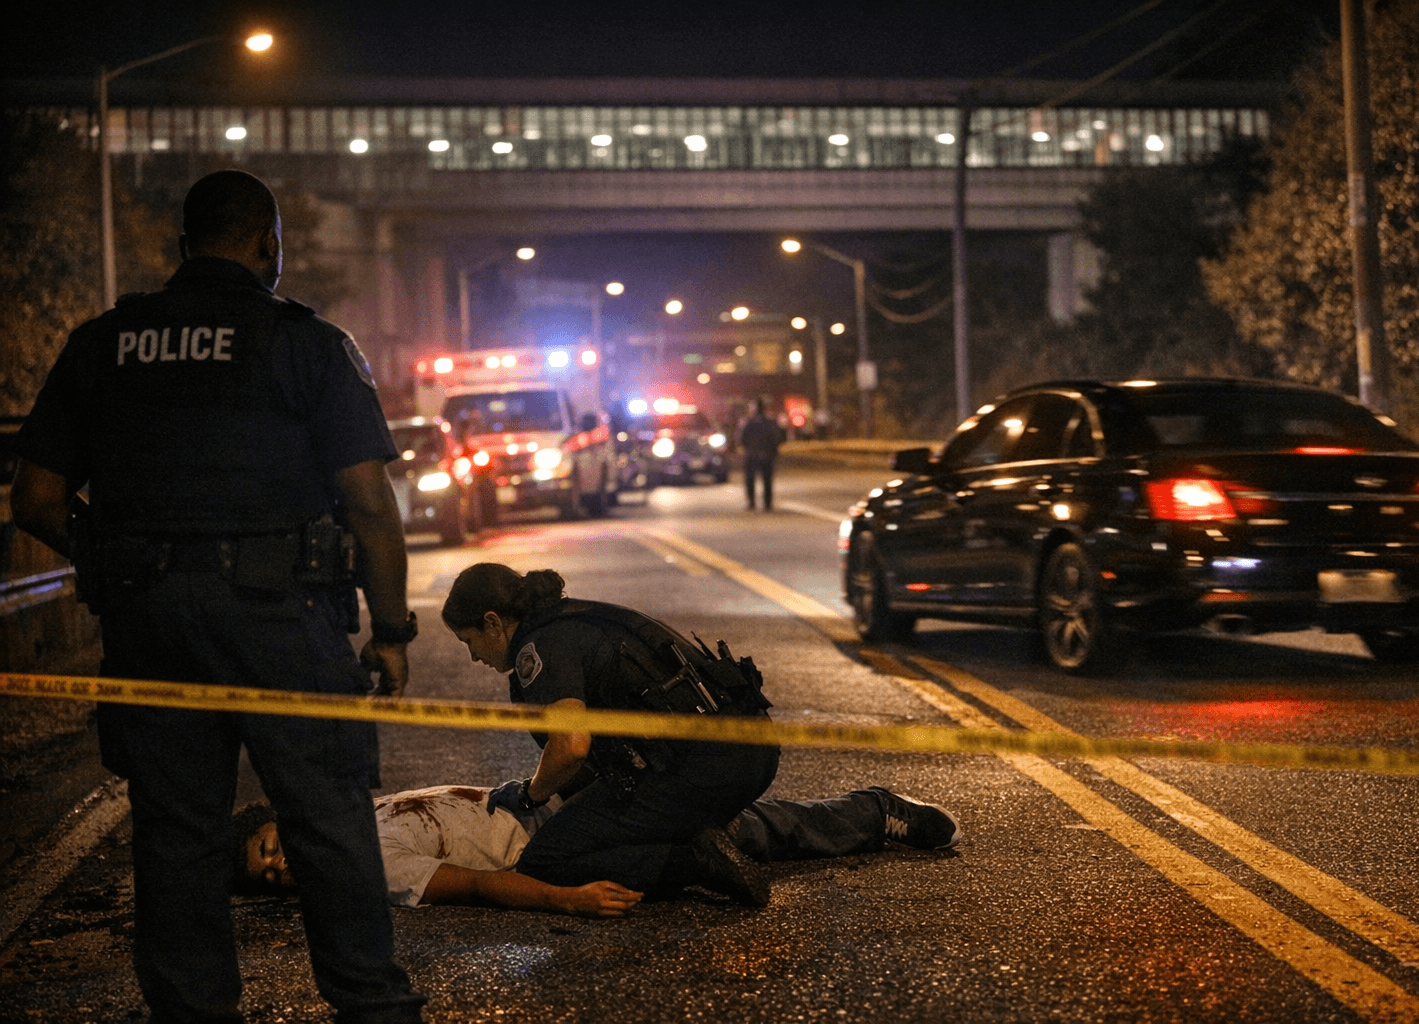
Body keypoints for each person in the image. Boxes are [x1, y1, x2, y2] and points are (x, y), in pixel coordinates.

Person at [11, 170, 425, 1024]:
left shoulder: (102, 344)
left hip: (150, 624)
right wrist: (390, 630)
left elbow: (38, 500)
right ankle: (371, 1008)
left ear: (180, 246)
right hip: (283, 618)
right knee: (327, 820)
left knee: (176, 831)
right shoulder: (307, 344)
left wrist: (118, 559)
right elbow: (369, 505)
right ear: (269, 246)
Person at [441, 562, 783, 907]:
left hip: (706, 769)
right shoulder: (580, 616)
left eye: (468, 641)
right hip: (755, 751)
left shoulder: (540, 645)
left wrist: (530, 795)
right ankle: (702, 827)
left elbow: (571, 747)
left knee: (543, 862)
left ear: (492, 622)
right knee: (587, 811)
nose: (473, 656)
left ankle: (696, 860)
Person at [234, 784, 961, 914]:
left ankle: (872, 813)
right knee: (734, 828)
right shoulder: (370, 870)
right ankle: (873, 814)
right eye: (268, 877)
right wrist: (567, 900)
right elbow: (479, 885)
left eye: (268, 848)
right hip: (552, 838)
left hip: (550, 809)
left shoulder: (354, 811)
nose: (278, 866)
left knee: (731, 826)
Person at [739, 397, 786, 510]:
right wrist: (772, 450)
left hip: (752, 454)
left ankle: (751, 503)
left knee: (750, 479)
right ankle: (767, 503)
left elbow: (742, 439)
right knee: (767, 480)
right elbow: (778, 438)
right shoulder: (770, 422)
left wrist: (749, 449)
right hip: (767, 454)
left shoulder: (748, 422)